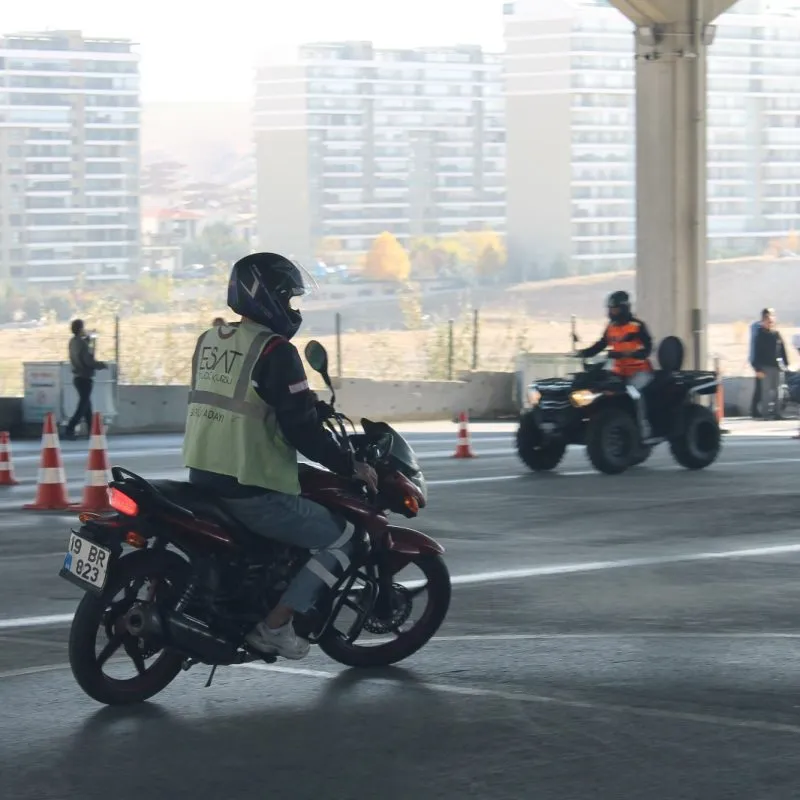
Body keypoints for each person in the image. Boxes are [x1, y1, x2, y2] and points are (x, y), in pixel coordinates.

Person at [183, 252, 378, 661]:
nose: (292, 308)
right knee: (342, 538)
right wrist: (349, 464)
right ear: (266, 298)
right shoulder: (275, 352)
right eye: (288, 298)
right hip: (251, 484)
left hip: (203, 475)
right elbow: (300, 431)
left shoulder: (210, 341)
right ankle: (276, 626)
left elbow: (249, 399)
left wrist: (306, 405)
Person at [575, 290, 655, 439]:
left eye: (615, 309)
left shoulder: (637, 326)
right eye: (610, 309)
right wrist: (584, 353)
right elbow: (600, 345)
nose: (612, 312)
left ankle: (643, 425)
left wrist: (628, 354)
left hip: (640, 371)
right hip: (619, 371)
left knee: (633, 392)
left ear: (624, 308)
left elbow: (648, 349)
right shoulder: (611, 327)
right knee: (600, 387)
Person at [64, 319, 107, 440]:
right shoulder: (82, 344)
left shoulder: (72, 342)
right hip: (85, 376)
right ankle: (70, 428)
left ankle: (92, 430)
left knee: (87, 404)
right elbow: (88, 360)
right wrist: (101, 365)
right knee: (83, 405)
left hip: (77, 376)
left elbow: (80, 355)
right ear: (81, 329)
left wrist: (88, 342)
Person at [752, 309, 788, 421]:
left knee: (779, 391)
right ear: (763, 321)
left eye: (771, 319)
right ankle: (766, 414)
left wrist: (786, 364)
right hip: (765, 368)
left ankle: (777, 413)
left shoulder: (776, 334)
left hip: (777, 367)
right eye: (767, 319)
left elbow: (782, 350)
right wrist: (757, 368)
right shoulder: (760, 335)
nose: (770, 321)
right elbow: (756, 353)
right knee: (766, 391)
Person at [749, 309, 770, 419]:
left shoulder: (756, 326)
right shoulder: (758, 327)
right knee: (760, 387)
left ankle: (756, 409)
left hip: (757, 360)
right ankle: (754, 410)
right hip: (758, 361)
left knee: (761, 386)